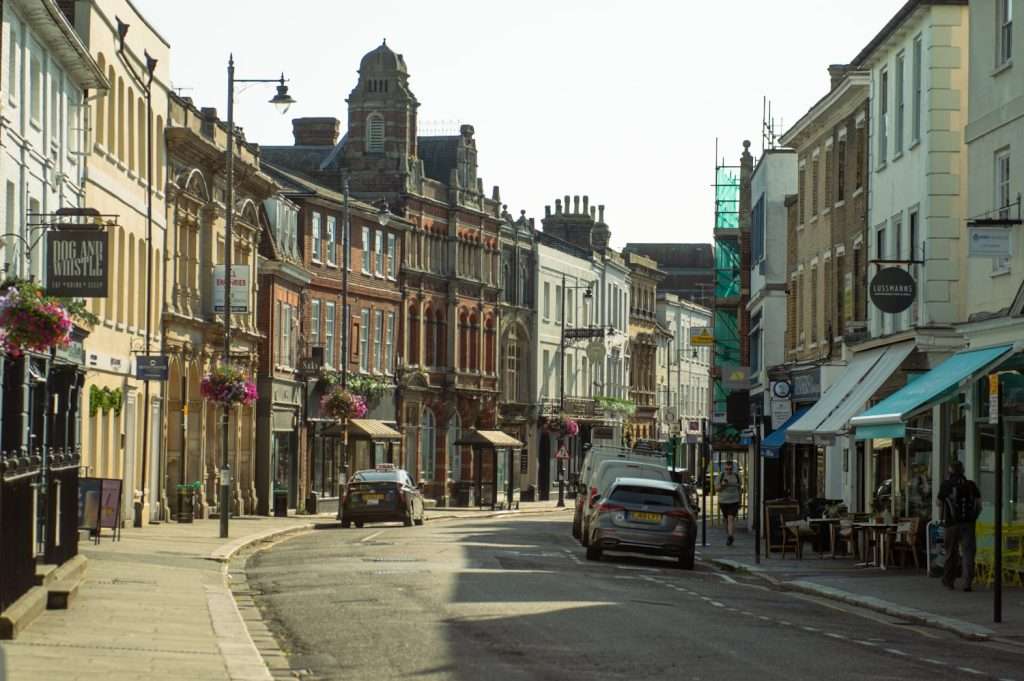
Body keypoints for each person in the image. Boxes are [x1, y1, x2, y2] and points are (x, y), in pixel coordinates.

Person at [937, 461, 982, 591]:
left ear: (950, 471)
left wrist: (942, 518)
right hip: (968, 524)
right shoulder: (971, 485)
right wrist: (973, 518)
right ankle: (967, 583)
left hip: (951, 524)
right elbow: (979, 505)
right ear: (963, 471)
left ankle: (949, 581)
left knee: (951, 552)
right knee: (968, 553)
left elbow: (939, 503)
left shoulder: (946, 485)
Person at [718, 461, 742, 546]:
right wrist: (723, 485)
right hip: (723, 501)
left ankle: (730, 536)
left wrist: (740, 501)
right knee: (725, 519)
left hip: (734, 500)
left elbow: (740, 489)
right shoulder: (721, 476)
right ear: (724, 469)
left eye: (730, 469)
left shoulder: (736, 476)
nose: (728, 471)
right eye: (727, 469)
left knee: (730, 518)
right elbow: (717, 489)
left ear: (733, 468)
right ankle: (728, 535)